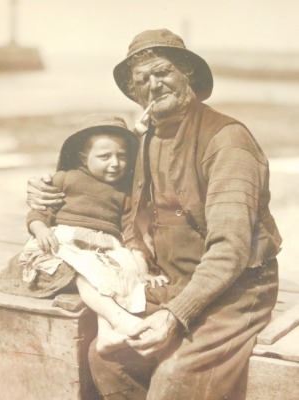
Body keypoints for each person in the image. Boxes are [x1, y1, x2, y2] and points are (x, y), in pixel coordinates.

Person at [25, 29, 282, 399]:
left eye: (162, 72)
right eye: (142, 79)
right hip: (169, 280)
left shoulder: (227, 141)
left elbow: (231, 249)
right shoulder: (146, 140)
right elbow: (101, 187)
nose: (153, 85)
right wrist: (44, 191)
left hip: (237, 289)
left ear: (187, 76)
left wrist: (176, 315)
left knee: (173, 382)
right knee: (106, 360)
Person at [9, 114, 168, 353]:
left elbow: (129, 233)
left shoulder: (123, 193)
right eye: (105, 157)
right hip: (65, 244)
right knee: (86, 272)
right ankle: (118, 319)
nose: (115, 163)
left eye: (122, 156)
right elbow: (40, 212)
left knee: (119, 271)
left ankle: (106, 334)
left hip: (103, 249)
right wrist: (40, 228)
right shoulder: (67, 179)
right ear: (84, 157)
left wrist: (141, 271)